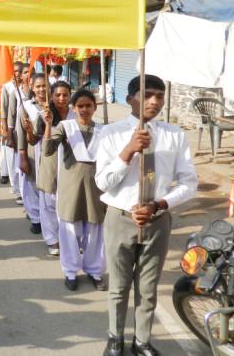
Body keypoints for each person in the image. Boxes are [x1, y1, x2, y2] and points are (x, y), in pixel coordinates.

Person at [96, 75, 197, 356]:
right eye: (147, 94)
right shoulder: (111, 133)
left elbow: (189, 183)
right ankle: (115, 337)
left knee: (148, 288)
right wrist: (128, 150)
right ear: (130, 99)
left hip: (156, 221)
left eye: (159, 96)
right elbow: (103, 183)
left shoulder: (174, 135)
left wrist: (159, 205)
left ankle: (141, 341)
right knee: (118, 287)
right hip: (120, 218)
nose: (154, 101)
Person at [42, 89, 106, 292]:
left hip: (96, 188)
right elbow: (47, 150)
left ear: (95, 107)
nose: (84, 109)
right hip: (71, 187)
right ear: (73, 108)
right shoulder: (65, 127)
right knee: (69, 230)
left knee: (95, 231)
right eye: (80, 106)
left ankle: (94, 270)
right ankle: (70, 271)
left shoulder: (104, 130)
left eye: (88, 105)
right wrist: (47, 125)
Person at [29, 81, 74, 257]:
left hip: (71, 163)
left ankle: (69, 239)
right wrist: (30, 130)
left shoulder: (76, 115)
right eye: (57, 95)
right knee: (48, 202)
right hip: (50, 162)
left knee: (68, 203)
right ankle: (52, 239)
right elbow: (33, 140)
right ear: (52, 97)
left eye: (65, 95)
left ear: (70, 96)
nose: (61, 98)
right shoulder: (43, 116)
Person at [16, 74, 47, 234]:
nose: (42, 89)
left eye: (44, 85)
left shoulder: (55, 103)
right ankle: (36, 219)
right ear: (33, 88)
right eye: (38, 86)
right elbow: (21, 134)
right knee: (32, 185)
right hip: (32, 152)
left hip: (52, 152)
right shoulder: (26, 106)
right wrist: (22, 158)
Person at [5, 62, 33, 203]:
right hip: (19, 133)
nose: (28, 75)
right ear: (20, 76)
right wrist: (10, 135)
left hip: (35, 133)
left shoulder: (39, 90)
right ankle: (22, 193)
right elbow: (11, 114)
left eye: (30, 72)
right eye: (25, 72)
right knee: (21, 163)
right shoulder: (14, 92)